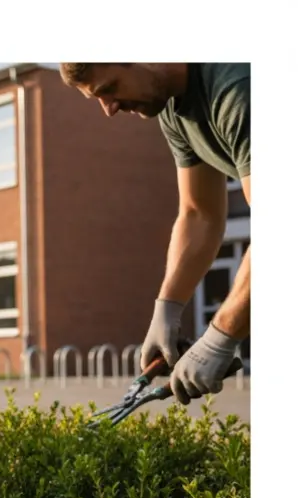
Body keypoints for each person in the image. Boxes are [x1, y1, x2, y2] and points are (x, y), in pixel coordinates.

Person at [58, 62, 250, 404]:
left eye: (109, 88)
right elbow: (199, 214)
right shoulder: (175, 108)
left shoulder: (237, 85)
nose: (109, 108)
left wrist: (220, 336)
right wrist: (167, 308)